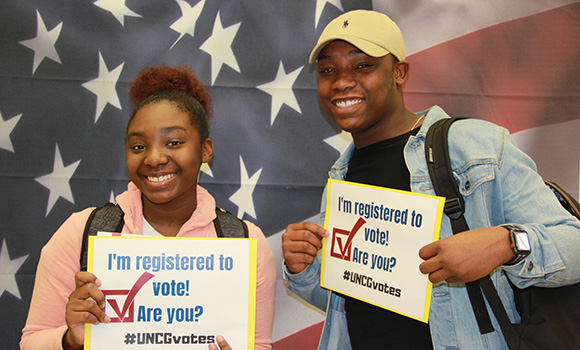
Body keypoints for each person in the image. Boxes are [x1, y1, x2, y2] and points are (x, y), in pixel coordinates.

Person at [281, 9, 580, 350]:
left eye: (362, 65)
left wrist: (506, 244)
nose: (342, 81)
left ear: (399, 72)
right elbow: (361, 300)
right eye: (328, 70)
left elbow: (574, 243)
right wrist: (302, 268)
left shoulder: (472, 146)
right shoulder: (342, 177)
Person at [20, 65, 276, 350]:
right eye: (139, 146)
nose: (154, 158)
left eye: (174, 142)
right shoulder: (82, 233)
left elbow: (259, 345)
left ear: (205, 150)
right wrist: (70, 340)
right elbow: (32, 341)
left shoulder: (245, 243)